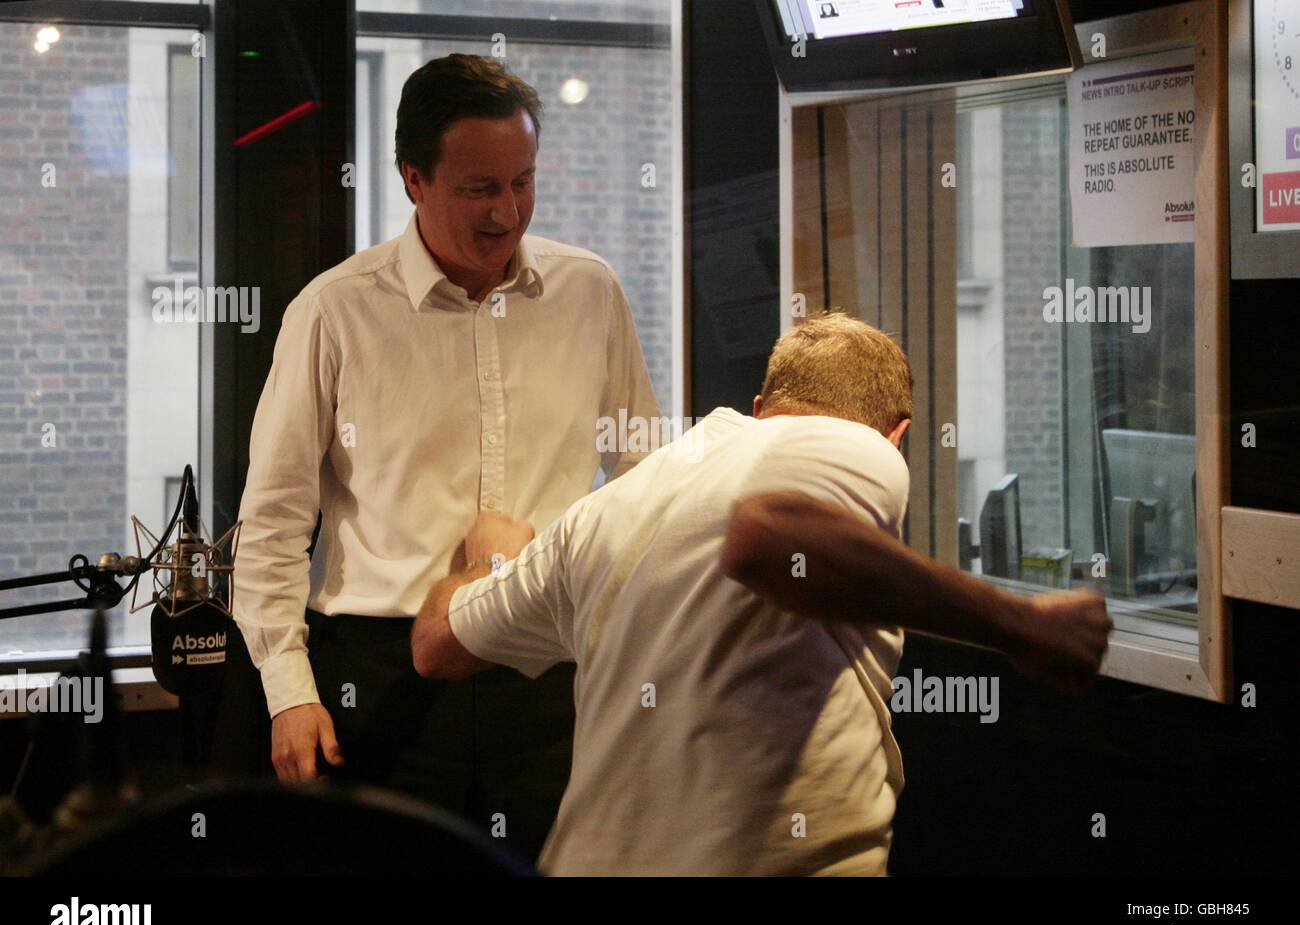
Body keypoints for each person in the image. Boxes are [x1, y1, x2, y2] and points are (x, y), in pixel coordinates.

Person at [409, 311, 1110, 875]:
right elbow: (766, 536)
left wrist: (495, 563)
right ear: (898, 435)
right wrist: (1024, 625)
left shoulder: (607, 508)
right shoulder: (850, 444)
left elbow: (435, 644)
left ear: (758, 407)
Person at [232, 53, 660, 863]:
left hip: (547, 673)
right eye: (479, 189)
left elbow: (641, 481)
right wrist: (289, 694)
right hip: (382, 679)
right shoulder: (333, 312)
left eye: (523, 181)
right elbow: (275, 520)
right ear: (412, 179)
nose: (508, 212)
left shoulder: (590, 291)